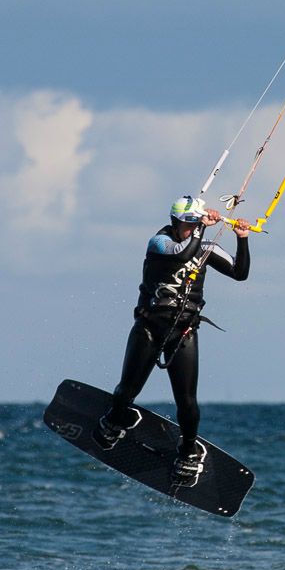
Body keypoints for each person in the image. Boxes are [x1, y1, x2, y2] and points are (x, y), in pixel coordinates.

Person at [96, 195, 251, 486]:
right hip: (149, 328)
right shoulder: (159, 243)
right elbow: (181, 254)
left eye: (196, 223)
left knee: (187, 401)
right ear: (176, 221)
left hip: (183, 332)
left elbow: (239, 273)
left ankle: (188, 451)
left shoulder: (204, 246)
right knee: (128, 388)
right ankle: (113, 420)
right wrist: (203, 227)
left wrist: (242, 239)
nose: (193, 228)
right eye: (190, 222)